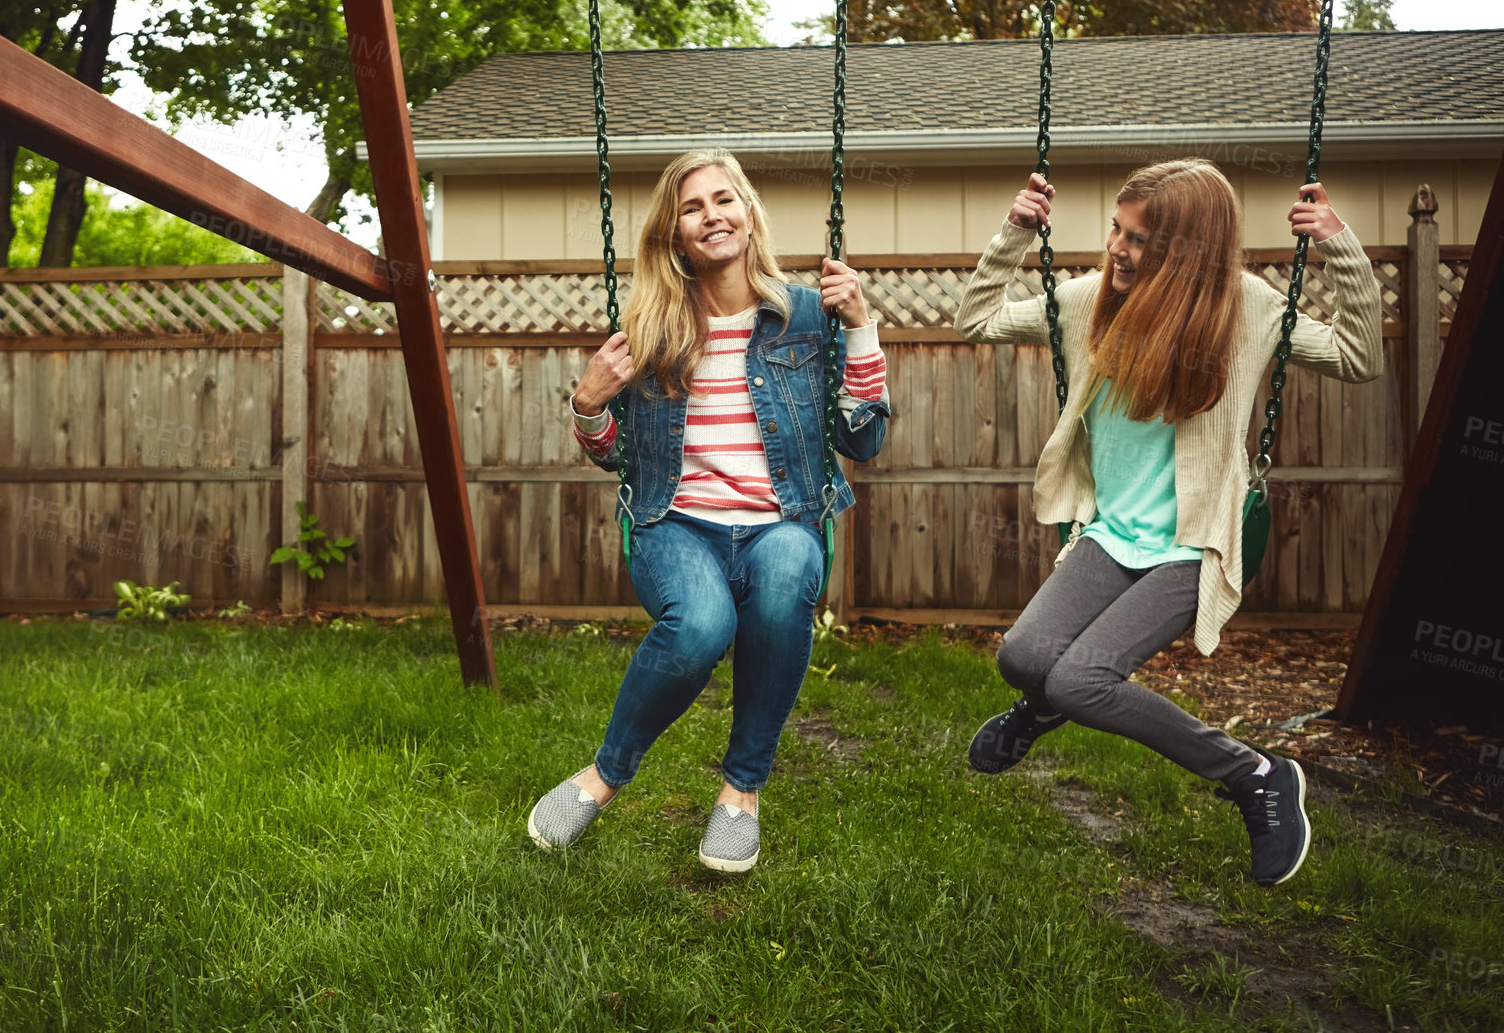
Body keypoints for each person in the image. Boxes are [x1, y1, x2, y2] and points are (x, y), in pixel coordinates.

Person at [955, 159, 1382, 887]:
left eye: (1140, 239)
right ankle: (1044, 704)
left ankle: (1256, 774)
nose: (1118, 249)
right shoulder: (1091, 299)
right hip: (1111, 534)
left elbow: (1358, 356)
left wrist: (1340, 246)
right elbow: (974, 319)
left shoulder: (1244, 309)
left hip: (1192, 543)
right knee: (1024, 660)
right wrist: (1015, 233)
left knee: (1083, 680)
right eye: (1117, 230)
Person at [526, 148, 891, 872]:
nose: (711, 216)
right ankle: (603, 777)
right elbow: (611, 454)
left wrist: (861, 327)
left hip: (780, 522)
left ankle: (740, 792)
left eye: (724, 200)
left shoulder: (809, 315)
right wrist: (588, 401)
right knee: (700, 624)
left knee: (787, 573)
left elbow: (864, 437)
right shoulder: (651, 328)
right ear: (675, 235)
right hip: (676, 525)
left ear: (749, 212)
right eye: (692, 208)